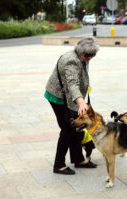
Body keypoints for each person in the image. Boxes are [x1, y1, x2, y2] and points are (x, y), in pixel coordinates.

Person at [44, 37, 99, 175]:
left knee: (77, 128)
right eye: (87, 55)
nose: (90, 57)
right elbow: (72, 83)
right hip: (58, 97)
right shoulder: (71, 61)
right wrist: (81, 102)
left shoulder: (82, 57)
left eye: (93, 55)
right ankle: (59, 165)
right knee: (67, 129)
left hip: (70, 97)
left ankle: (78, 159)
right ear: (80, 52)